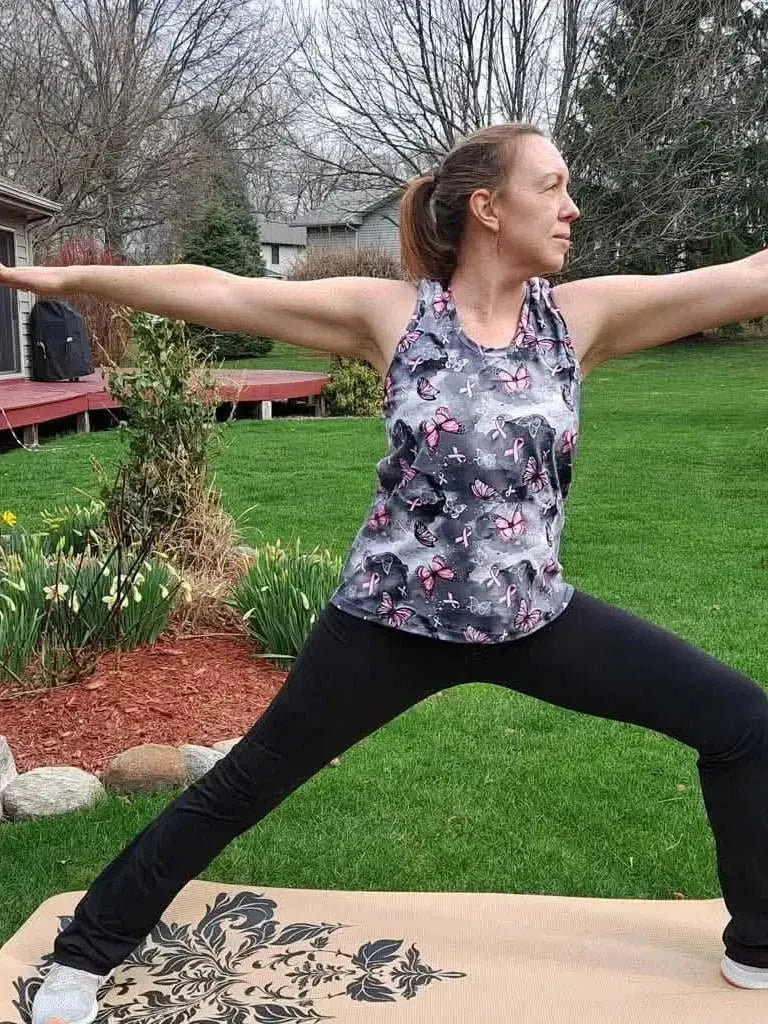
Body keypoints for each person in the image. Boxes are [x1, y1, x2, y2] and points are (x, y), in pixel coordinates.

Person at [0, 123, 765, 1024]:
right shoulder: (394, 316)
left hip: (532, 618)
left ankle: (757, 944)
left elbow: (749, 277)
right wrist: (60, 279)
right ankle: (83, 956)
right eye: (552, 186)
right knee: (243, 785)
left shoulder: (579, 320)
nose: (572, 208)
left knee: (743, 723)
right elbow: (216, 290)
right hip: (388, 626)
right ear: (487, 208)